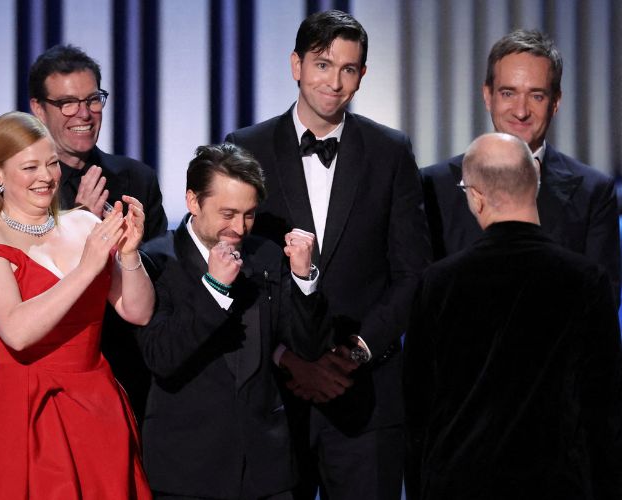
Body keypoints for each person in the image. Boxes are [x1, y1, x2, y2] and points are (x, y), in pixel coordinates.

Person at [226, 10, 432, 500]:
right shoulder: (243, 148)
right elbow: (234, 272)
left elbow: (412, 273)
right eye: (323, 64)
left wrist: (357, 351)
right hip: (274, 394)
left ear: (362, 76)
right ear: (296, 65)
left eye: (349, 69)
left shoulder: (390, 151)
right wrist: (288, 358)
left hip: (366, 398)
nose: (334, 82)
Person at [0, 111, 154, 499]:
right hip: (22, 416)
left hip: (96, 407)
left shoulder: (82, 225)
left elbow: (138, 311)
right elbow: (17, 331)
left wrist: (129, 256)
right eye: (29, 167)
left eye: (50, 163)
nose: (46, 177)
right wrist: (87, 267)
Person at [404, 133, 622, 500]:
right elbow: (604, 412)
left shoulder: (438, 283)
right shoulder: (587, 280)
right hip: (557, 486)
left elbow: (419, 410)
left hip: (460, 485)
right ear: (536, 179)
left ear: (475, 197)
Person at [138, 143, 330, 499]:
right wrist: (214, 288)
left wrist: (305, 280)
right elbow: (162, 357)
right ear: (193, 202)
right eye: (227, 214)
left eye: (249, 214)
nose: (239, 228)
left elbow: (306, 347)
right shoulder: (155, 262)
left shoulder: (268, 255)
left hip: (267, 470)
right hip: (188, 472)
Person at [421, 29, 620, 301]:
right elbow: (421, 295)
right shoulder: (433, 185)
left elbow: (602, 302)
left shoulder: (594, 192)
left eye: (536, 96)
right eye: (508, 93)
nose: (521, 110)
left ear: (556, 102)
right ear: (487, 95)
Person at [29, 43, 167, 420]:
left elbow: (161, 276)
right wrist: (78, 225)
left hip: (132, 370)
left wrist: (128, 250)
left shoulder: (136, 178)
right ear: (39, 109)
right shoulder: (24, 188)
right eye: (68, 103)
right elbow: (21, 293)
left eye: (93, 100)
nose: (84, 114)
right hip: (55, 375)